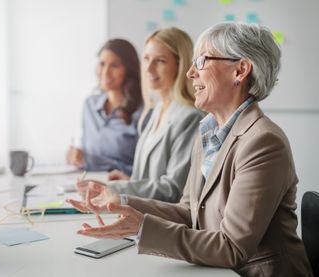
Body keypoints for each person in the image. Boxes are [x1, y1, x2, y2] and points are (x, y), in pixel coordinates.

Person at [67, 22, 314, 276]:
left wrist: (142, 227)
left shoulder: (263, 142)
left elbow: (231, 247)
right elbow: (189, 212)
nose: (190, 74)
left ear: (240, 70)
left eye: (202, 61)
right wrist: (121, 201)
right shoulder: (208, 130)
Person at [77, 27, 204, 203]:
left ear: (180, 65)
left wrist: (112, 188)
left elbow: (173, 190)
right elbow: (150, 178)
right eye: (146, 59)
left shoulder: (190, 117)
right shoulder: (157, 109)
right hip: (139, 213)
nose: (149, 68)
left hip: (163, 223)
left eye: (160, 61)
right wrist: (130, 182)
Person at [66, 39, 143, 175]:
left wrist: (91, 161)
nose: (105, 72)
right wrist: (78, 156)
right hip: (88, 183)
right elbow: (89, 152)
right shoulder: (89, 105)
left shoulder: (142, 112)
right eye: (102, 64)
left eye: (114, 65)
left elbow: (144, 170)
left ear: (129, 69)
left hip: (122, 188)